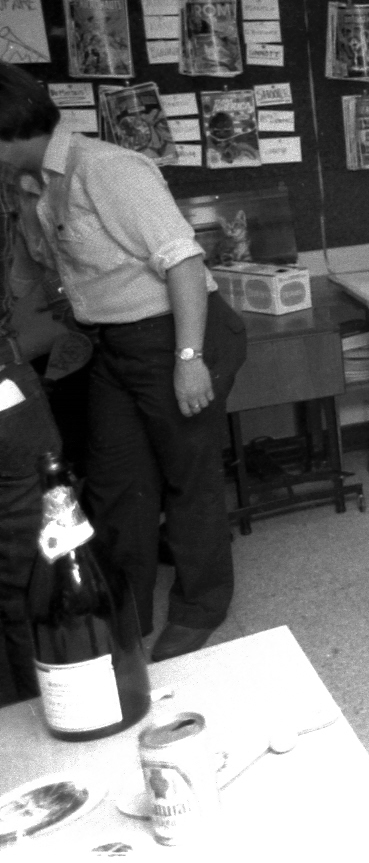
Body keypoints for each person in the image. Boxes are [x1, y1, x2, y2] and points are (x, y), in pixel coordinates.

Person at [0, 60, 247, 663]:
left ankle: (199, 608)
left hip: (180, 333)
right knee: (115, 484)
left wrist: (188, 358)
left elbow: (183, 263)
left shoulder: (106, 169)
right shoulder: (36, 186)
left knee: (188, 477)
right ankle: (122, 610)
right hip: (115, 346)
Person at [0, 155, 64, 706]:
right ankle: (38, 705)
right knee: (29, 556)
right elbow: (29, 274)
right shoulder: (15, 190)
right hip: (7, 395)